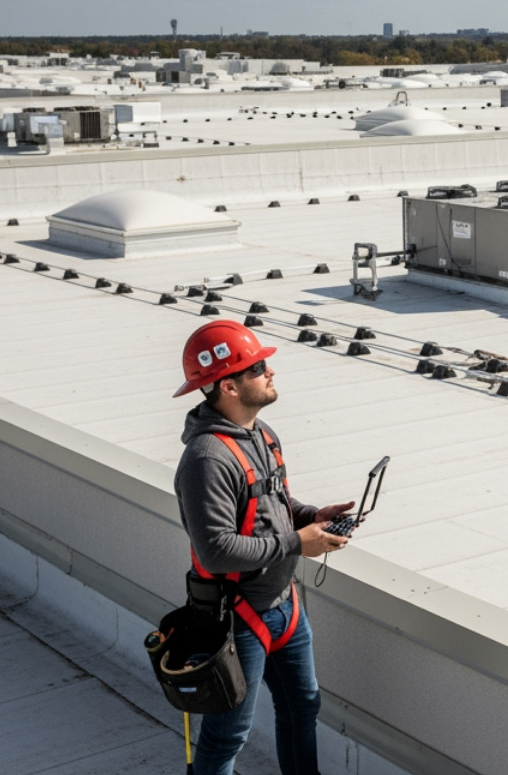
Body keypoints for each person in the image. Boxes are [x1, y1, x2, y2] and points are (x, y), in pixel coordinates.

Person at [173, 319, 353, 775]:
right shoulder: (206, 460)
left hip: (283, 608)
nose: (270, 371)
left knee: (302, 710)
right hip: (235, 620)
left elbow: (273, 503)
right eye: (257, 367)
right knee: (227, 734)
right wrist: (297, 542)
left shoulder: (262, 433)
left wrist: (312, 516)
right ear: (228, 385)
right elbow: (215, 551)